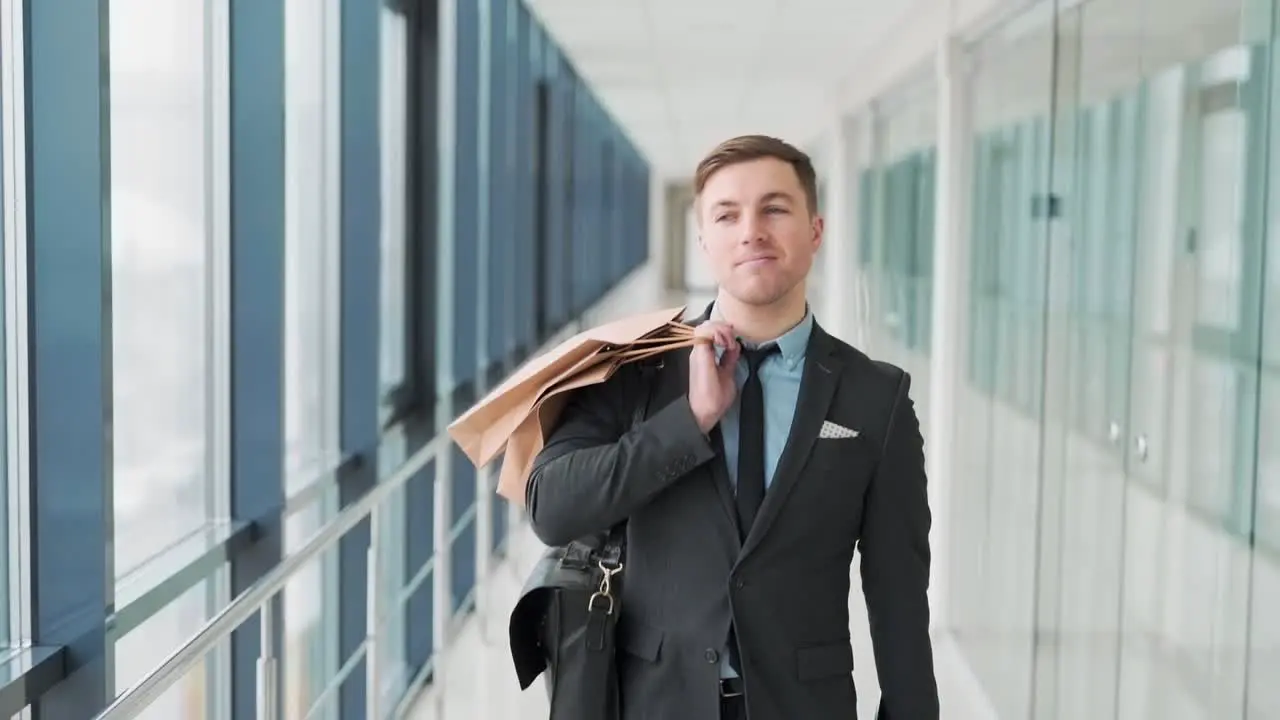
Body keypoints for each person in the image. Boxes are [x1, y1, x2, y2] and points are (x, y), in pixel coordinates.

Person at [525, 135, 939, 720]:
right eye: (727, 214)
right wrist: (689, 421)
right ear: (704, 240)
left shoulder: (878, 397)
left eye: (774, 208)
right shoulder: (632, 372)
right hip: (653, 704)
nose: (751, 230)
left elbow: (899, 601)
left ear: (815, 231)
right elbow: (552, 507)